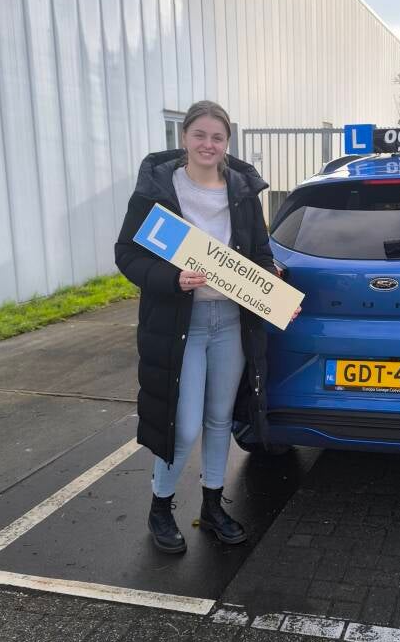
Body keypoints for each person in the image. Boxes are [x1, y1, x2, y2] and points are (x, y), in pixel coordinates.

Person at [115, 100, 284, 552]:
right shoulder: (157, 191)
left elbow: (259, 253)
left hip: (231, 321)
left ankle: (212, 505)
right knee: (183, 425)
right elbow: (127, 255)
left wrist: (272, 283)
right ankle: (160, 505)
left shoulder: (242, 192)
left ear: (227, 142)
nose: (208, 144)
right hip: (179, 323)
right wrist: (171, 279)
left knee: (219, 419)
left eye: (218, 137)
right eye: (200, 135)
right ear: (184, 137)